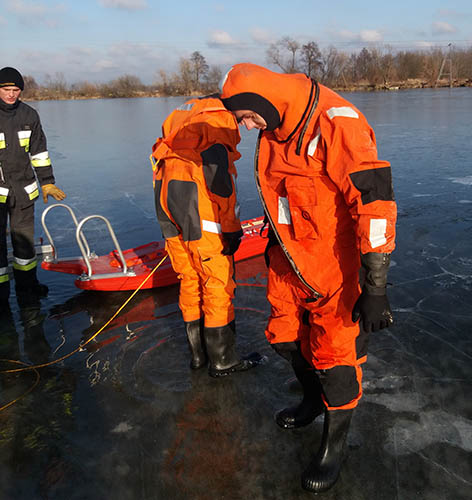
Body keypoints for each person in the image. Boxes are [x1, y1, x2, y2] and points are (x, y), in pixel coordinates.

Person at [220, 63, 397, 492]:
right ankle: (311, 399)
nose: (245, 127)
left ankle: (333, 447)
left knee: (337, 364)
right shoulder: (274, 130)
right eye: (240, 119)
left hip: (337, 271)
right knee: (283, 339)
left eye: (247, 116)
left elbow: (375, 203)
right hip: (288, 261)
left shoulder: (339, 124)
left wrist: (375, 286)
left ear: (266, 102)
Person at [151, 95, 261, 377]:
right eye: (247, 119)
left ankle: (198, 357)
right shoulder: (218, 120)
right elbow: (221, 185)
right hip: (196, 203)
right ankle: (223, 360)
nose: (248, 127)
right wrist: (232, 227)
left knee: (189, 278)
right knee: (217, 281)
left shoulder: (186, 111)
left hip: (166, 195)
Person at [0, 66, 66, 305]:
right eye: (6, 89)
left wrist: (47, 182)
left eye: (15, 89)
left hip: (23, 192)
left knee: (24, 244)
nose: (11, 94)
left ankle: (27, 288)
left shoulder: (29, 115)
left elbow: (39, 153)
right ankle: (2, 295)